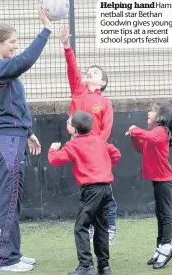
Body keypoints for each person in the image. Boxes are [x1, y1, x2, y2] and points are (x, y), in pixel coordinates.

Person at [0, 7, 52, 272]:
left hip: (14, 138)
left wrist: (28, 133)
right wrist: (46, 29)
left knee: (13, 199)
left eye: (17, 43)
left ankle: (13, 253)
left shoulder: (1, 70)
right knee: (8, 201)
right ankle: (5, 260)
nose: (16, 47)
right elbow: (26, 60)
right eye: (12, 43)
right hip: (6, 141)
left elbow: (15, 104)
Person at [59, 25, 117, 245]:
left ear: (102, 83)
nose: (89, 72)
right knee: (86, 190)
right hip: (78, 149)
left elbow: (107, 129)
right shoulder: (78, 90)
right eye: (89, 70)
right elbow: (72, 68)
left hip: (97, 152)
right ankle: (92, 228)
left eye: (95, 72)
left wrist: (96, 148)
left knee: (105, 192)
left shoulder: (105, 102)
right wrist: (66, 46)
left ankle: (109, 227)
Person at [48, 110, 121, 275]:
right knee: (102, 228)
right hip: (106, 188)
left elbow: (54, 160)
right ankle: (104, 267)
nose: (68, 124)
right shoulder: (99, 140)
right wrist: (103, 169)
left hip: (91, 191)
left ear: (74, 129)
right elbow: (116, 154)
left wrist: (53, 149)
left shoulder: (72, 145)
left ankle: (86, 266)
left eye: (69, 123)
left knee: (81, 226)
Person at [125, 102, 172, 270]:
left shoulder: (161, 131)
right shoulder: (153, 132)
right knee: (160, 214)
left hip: (164, 179)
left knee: (165, 214)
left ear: (161, 117)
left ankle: (166, 248)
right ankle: (160, 247)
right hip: (158, 179)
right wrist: (134, 137)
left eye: (152, 111)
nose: (148, 113)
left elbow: (151, 137)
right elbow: (142, 147)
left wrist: (135, 129)